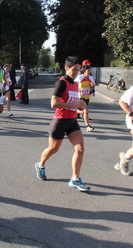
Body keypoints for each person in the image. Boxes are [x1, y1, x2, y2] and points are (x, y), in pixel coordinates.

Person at [35, 56, 90, 192]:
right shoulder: (61, 83)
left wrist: (79, 108)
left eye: (78, 70)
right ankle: (40, 165)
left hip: (72, 121)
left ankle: (75, 179)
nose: (76, 72)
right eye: (74, 70)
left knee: (80, 149)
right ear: (66, 68)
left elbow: (72, 103)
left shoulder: (75, 84)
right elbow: (54, 103)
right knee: (53, 149)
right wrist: (74, 104)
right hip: (59, 122)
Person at [74, 60, 95, 132]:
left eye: (89, 70)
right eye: (87, 70)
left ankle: (74, 111)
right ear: (84, 71)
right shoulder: (80, 77)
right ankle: (88, 126)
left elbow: (92, 86)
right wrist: (78, 90)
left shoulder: (91, 78)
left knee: (85, 111)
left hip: (87, 96)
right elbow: (74, 85)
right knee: (85, 111)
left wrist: (92, 87)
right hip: (80, 96)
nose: (89, 72)